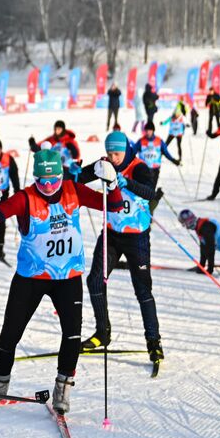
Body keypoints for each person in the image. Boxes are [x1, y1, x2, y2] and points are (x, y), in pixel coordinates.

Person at [0, 150, 124, 414]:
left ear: (61, 176)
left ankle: (63, 387)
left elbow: (113, 206)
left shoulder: (73, 191)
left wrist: (112, 184)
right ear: (35, 179)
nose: (49, 187)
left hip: (68, 278)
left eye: (54, 180)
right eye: (43, 181)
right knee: (10, 332)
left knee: (72, 333)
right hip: (31, 277)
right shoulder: (26, 197)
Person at [81, 129, 164, 372]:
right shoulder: (104, 164)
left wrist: (127, 182)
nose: (112, 157)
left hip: (137, 236)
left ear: (126, 150)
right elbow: (80, 178)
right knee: (95, 281)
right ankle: (102, 332)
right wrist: (73, 171)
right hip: (112, 233)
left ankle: (153, 341)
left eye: (116, 153)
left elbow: (151, 193)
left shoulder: (139, 167)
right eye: (109, 153)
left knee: (142, 289)